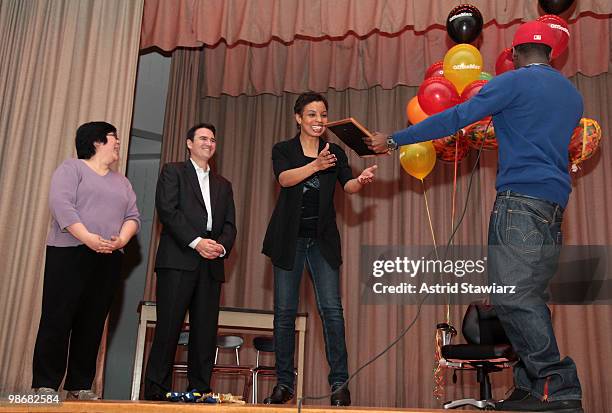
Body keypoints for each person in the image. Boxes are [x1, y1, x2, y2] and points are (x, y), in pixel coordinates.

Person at [366, 21, 583, 413]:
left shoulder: (513, 82)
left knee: (513, 295)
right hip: (554, 204)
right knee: (530, 296)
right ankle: (530, 387)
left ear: (516, 54)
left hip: (520, 200)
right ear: (552, 54)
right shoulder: (571, 94)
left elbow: (456, 117)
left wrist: (395, 138)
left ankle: (557, 382)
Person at [262, 92, 377, 406]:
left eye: (323, 115)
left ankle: (340, 384)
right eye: (312, 115)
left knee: (332, 313)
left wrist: (360, 181)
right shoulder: (283, 150)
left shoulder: (336, 152)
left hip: (322, 242)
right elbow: (285, 179)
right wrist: (314, 165)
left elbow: (347, 185)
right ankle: (284, 383)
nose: (319, 121)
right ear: (299, 118)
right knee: (284, 315)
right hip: (289, 241)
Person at [32, 122, 140, 400]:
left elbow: (133, 217)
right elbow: (61, 206)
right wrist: (88, 238)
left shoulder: (122, 182)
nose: (118, 142)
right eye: (114, 138)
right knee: (58, 317)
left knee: (92, 322)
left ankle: (79, 385)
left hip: (108, 258)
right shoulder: (72, 169)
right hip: (69, 252)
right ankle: (45, 384)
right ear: (96, 141)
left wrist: (121, 241)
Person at [144, 122, 236, 400]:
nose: (209, 143)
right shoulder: (173, 172)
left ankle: (199, 389)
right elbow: (168, 211)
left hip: (211, 263)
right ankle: (156, 391)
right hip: (179, 259)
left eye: (213, 140)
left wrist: (219, 247)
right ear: (189, 143)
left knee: (205, 332)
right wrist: (197, 243)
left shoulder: (224, 184)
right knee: (168, 327)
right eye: (203, 138)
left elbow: (230, 225)